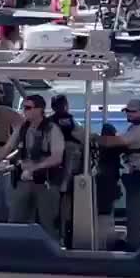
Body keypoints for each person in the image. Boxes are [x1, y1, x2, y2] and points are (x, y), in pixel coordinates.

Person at [0, 93, 65, 239]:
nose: (24, 111)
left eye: (28, 108)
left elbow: (57, 157)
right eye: (24, 108)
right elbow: (6, 149)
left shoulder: (52, 130)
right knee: (15, 220)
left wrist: (35, 168)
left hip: (46, 183)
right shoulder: (23, 128)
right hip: (24, 181)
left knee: (47, 222)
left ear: (39, 109)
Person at [97, 98, 140, 251]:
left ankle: (133, 254)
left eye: (133, 112)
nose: (129, 114)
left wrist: (91, 137)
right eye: (127, 111)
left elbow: (113, 142)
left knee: (135, 221)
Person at [49, 94, 85, 245]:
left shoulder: (48, 123)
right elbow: (80, 138)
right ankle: (63, 236)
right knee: (64, 205)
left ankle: (60, 236)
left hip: (54, 172)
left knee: (57, 206)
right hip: (66, 173)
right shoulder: (70, 124)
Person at [93, 122, 125, 250]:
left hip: (103, 185)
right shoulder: (115, 148)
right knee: (106, 213)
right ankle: (105, 242)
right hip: (109, 185)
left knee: (102, 214)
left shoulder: (101, 149)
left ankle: (102, 242)